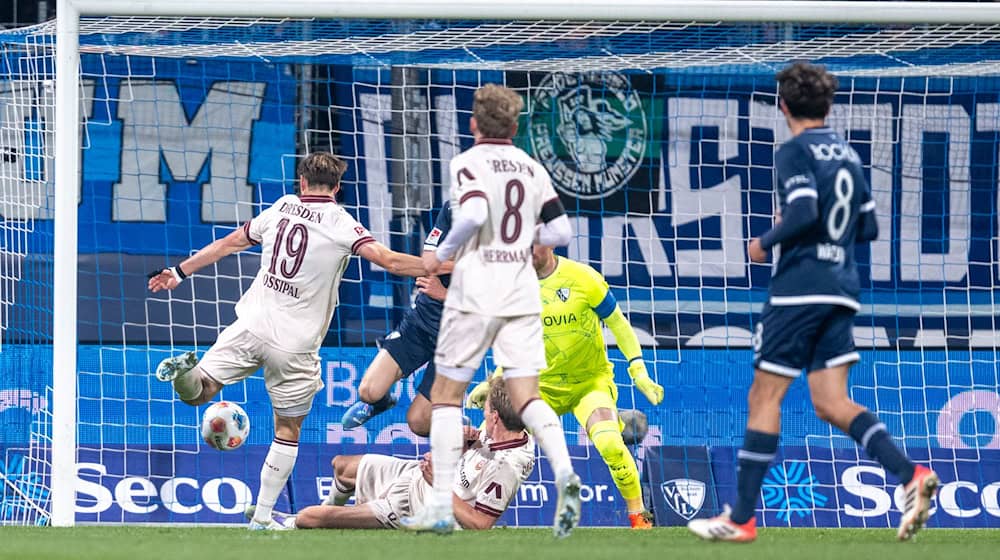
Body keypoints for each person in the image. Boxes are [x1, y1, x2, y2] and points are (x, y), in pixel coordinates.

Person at [687, 62, 938, 543]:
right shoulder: (847, 154)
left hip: (800, 288)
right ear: (829, 104)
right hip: (842, 287)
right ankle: (910, 473)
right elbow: (867, 228)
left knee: (764, 397)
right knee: (830, 402)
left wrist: (765, 241)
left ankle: (740, 517)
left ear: (782, 105)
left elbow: (803, 211)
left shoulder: (793, 151)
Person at [147, 152, 429, 531]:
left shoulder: (281, 207)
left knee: (199, 392)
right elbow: (390, 261)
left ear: (301, 183)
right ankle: (262, 517)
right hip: (293, 345)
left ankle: (184, 373)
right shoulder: (343, 224)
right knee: (287, 431)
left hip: (250, 325)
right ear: (338, 187)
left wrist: (179, 272)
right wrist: (443, 265)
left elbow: (230, 242)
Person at [401, 83, 580, 538]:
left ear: (474, 124)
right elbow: (561, 230)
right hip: (520, 291)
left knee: (445, 396)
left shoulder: (468, 163)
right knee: (527, 397)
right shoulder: (531, 167)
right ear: (516, 126)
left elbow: (475, 214)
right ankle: (565, 474)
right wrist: (523, 241)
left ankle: (441, 505)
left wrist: (440, 253)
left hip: (478, 289)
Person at [464, 245, 664, 529]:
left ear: (550, 242)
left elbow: (618, 324)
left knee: (611, 444)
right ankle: (460, 509)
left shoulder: (583, 278)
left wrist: (638, 369)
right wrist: (494, 381)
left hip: (588, 385)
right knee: (488, 441)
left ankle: (640, 518)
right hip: (538, 387)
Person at [249, 377, 534, 530]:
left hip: (415, 508)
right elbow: (471, 464)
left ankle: (292, 523)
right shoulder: (508, 426)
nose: (481, 412)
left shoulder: (507, 467)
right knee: (342, 466)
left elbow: (481, 524)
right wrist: (463, 444)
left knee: (310, 518)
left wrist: (440, 485)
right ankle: (329, 517)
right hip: (414, 475)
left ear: (495, 417)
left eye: (486, 410)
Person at [340, 202, 454, 437]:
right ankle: (382, 404)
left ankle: (452, 421)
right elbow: (429, 258)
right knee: (368, 392)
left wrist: (445, 294)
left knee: (419, 422)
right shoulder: (454, 207)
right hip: (421, 322)